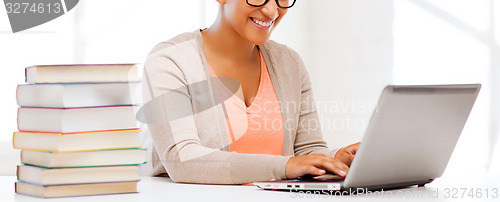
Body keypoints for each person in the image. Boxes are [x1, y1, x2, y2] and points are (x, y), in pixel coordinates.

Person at [141, 0, 360, 184]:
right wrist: (285, 165)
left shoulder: (290, 63)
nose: (272, 10)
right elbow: (181, 160)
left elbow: (306, 151)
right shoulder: (170, 61)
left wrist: (335, 158)